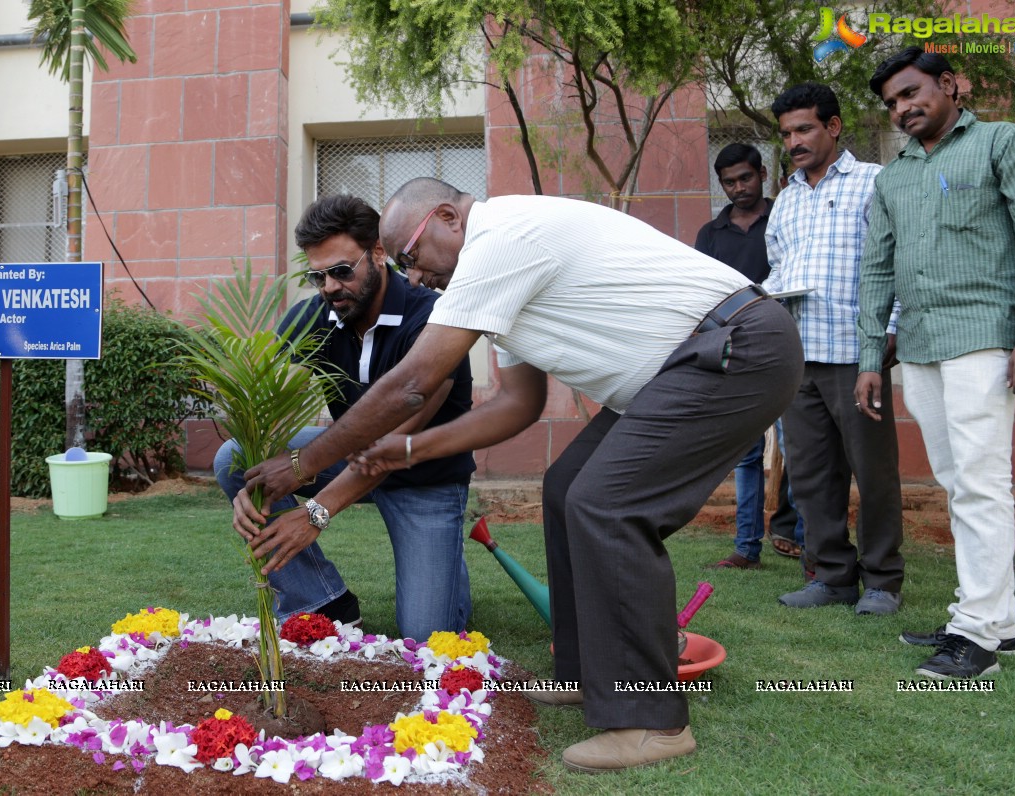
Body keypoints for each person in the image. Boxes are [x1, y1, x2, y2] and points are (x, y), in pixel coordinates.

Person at [236, 178, 804, 772]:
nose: (417, 277)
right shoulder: (493, 281)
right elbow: (518, 405)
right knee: (566, 490)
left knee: (606, 505)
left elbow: (411, 385)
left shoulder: (501, 239)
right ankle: (592, 676)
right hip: (682, 367)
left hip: (736, 347)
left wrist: (305, 462)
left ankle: (652, 721)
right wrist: (407, 450)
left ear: (449, 217)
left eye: (411, 256)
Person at [856, 47, 1015, 678]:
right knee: (956, 480)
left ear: (949, 85)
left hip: (987, 338)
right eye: (891, 103)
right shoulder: (892, 179)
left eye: (911, 93)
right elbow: (876, 270)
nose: (902, 109)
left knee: (981, 482)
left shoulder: (1005, 143)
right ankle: (993, 617)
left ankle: (980, 636)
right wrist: (868, 357)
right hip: (919, 346)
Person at [214, 194, 475, 640]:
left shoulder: (433, 319)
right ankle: (323, 601)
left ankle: (444, 565)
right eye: (317, 276)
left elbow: (392, 442)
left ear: (378, 253)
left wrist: (315, 511)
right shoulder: (315, 316)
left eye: (340, 271)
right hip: (346, 455)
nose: (329, 287)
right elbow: (272, 404)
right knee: (234, 457)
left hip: (423, 474)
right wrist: (255, 473)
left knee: (428, 634)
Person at [763, 83, 905, 615]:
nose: (794, 142)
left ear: (834, 126)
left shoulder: (874, 182)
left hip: (856, 353)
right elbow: (779, 268)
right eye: (787, 134)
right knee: (811, 476)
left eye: (804, 129)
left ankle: (883, 582)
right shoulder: (788, 200)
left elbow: (895, 260)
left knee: (874, 474)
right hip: (799, 357)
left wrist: (889, 329)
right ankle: (831, 577)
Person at [695, 142, 805, 569]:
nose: (739, 188)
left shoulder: (786, 216)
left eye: (746, 177)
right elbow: (704, 291)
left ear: (761, 173)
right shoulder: (711, 234)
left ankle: (797, 535)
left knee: (799, 446)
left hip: (787, 346)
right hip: (735, 350)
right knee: (745, 453)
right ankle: (747, 547)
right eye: (729, 182)